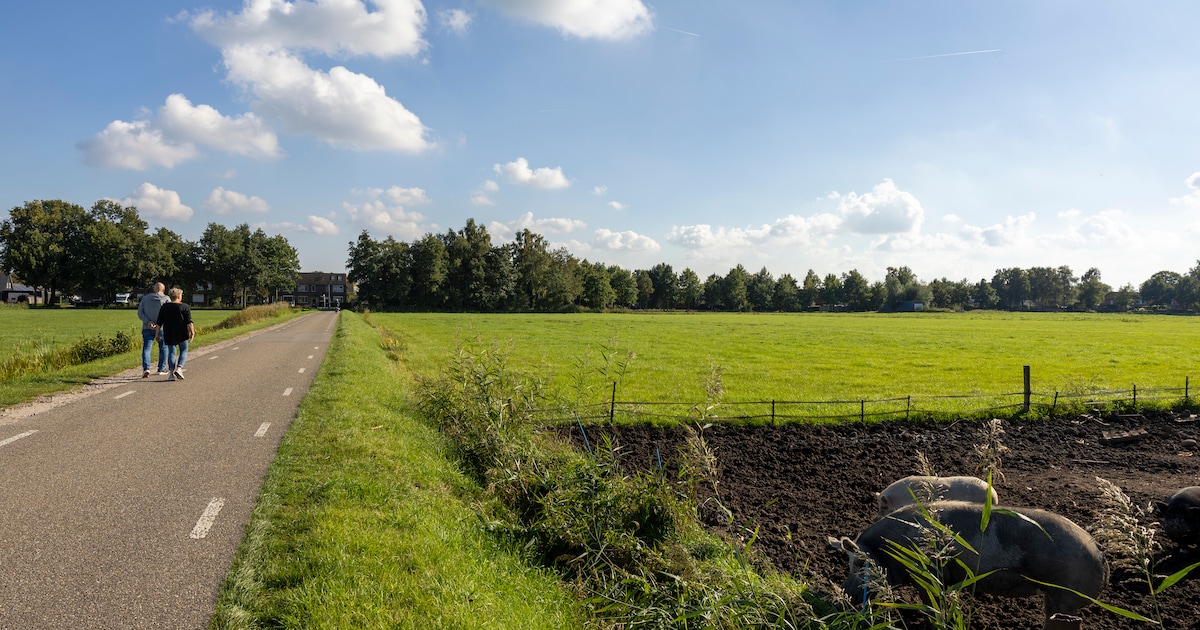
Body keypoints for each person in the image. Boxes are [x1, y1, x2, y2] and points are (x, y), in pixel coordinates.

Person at [155, 288, 194, 381]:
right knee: (183, 350)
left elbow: (159, 322)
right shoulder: (185, 307)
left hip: (169, 332)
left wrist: (157, 334)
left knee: (172, 352)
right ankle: (179, 368)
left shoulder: (165, 307)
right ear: (179, 296)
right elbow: (189, 321)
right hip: (182, 332)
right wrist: (192, 332)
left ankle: (171, 374)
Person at [137, 283, 169, 378]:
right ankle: (161, 368)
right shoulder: (166, 299)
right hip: (162, 328)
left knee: (147, 348)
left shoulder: (145, 298)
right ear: (163, 289)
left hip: (147, 327)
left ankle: (146, 368)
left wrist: (148, 322)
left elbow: (140, 312)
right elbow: (169, 313)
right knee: (163, 347)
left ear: (154, 289)